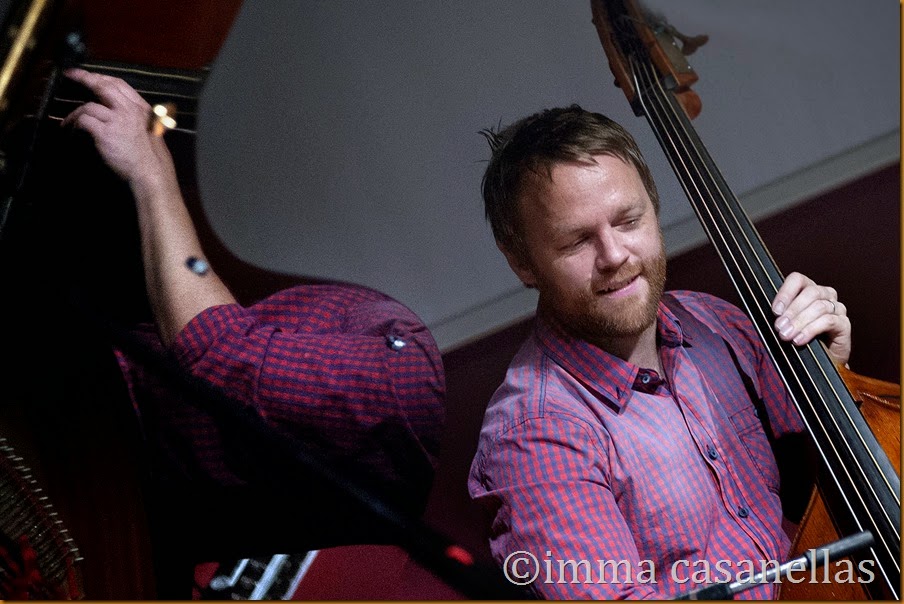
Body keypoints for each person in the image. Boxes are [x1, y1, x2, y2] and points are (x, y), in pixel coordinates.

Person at [60, 68, 446, 595]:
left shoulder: (413, 373)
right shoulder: (370, 280)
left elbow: (217, 348)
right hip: (87, 396)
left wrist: (151, 171)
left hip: (89, 473)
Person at [467, 105, 852, 599]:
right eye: (577, 241)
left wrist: (834, 372)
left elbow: (820, 473)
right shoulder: (535, 436)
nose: (614, 256)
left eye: (628, 220)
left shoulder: (716, 323)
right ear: (521, 260)